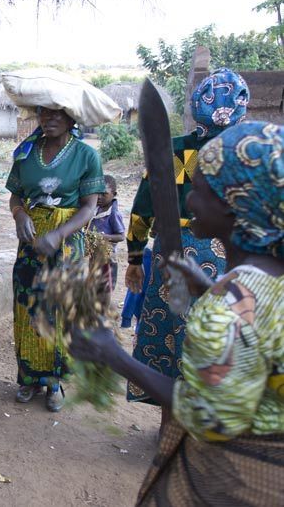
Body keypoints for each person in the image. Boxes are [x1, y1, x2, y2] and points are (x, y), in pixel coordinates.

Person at [70, 121, 283, 506]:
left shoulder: (226, 312)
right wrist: (207, 287)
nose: (189, 203)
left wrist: (113, 356)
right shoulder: (265, 279)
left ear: (235, 205)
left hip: (236, 479)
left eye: (200, 190)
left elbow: (210, 419)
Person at [124, 68, 250, 431]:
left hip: (171, 258)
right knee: (221, 343)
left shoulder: (175, 150)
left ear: (197, 106)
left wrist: (135, 258)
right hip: (232, 258)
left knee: (173, 341)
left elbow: (143, 209)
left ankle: (170, 426)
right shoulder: (250, 152)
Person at [5, 106, 105, 412]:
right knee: (28, 308)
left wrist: (58, 235)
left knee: (59, 310)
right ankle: (28, 377)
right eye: (43, 114)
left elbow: (89, 208)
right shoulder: (25, 153)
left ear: (71, 118)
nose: (47, 120)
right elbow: (16, 196)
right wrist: (19, 213)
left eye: (56, 115)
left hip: (67, 243)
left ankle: (54, 381)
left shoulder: (87, 156)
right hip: (31, 242)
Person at [89, 174, 125, 291]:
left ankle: (103, 307)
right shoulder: (96, 208)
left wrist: (102, 237)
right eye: (97, 193)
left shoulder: (113, 214)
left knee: (106, 288)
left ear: (114, 195)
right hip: (94, 256)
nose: (99, 197)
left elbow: (121, 236)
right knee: (93, 285)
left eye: (104, 194)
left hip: (108, 259)